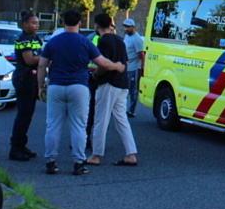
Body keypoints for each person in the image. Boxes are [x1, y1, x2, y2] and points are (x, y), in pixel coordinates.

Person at [37, 9, 125, 175]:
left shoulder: (53, 42)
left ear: (63, 23)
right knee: (79, 126)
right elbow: (103, 63)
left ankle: (51, 162)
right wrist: (118, 66)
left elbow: (42, 65)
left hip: (56, 86)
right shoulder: (85, 42)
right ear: (79, 23)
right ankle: (78, 162)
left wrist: (41, 87)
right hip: (79, 86)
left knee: (53, 125)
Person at [85, 13, 138, 167]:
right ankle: (130, 153)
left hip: (108, 84)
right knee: (122, 120)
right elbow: (125, 61)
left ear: (96, 26)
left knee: (100, 120)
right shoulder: (120, 40)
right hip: (122, 84)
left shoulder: (104, 40)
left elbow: (103, 65)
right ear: (110, 25)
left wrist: (95, 75)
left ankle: (95, 155)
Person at [9, 12, 42, 161]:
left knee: (28, 115)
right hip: (24, 79)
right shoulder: (22, 40)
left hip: (32, 79)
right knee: (23, 115)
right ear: (25, 24)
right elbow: (29, 60)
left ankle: (22, 145)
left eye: (37, 23)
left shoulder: (34, 38)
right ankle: (15, 148)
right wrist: (47, 57)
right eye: (34, 23)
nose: (37, 25)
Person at [123, 18, 145, 117]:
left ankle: (131, 110)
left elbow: (142, 54)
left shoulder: (137, 39)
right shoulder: (126, 37)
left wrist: (143, 67)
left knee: (133, 90)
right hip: (126, 67)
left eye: (128, 27)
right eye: (125, 27)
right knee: (124, 89)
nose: (126, 29)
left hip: (134, 68)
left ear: (133, 27)